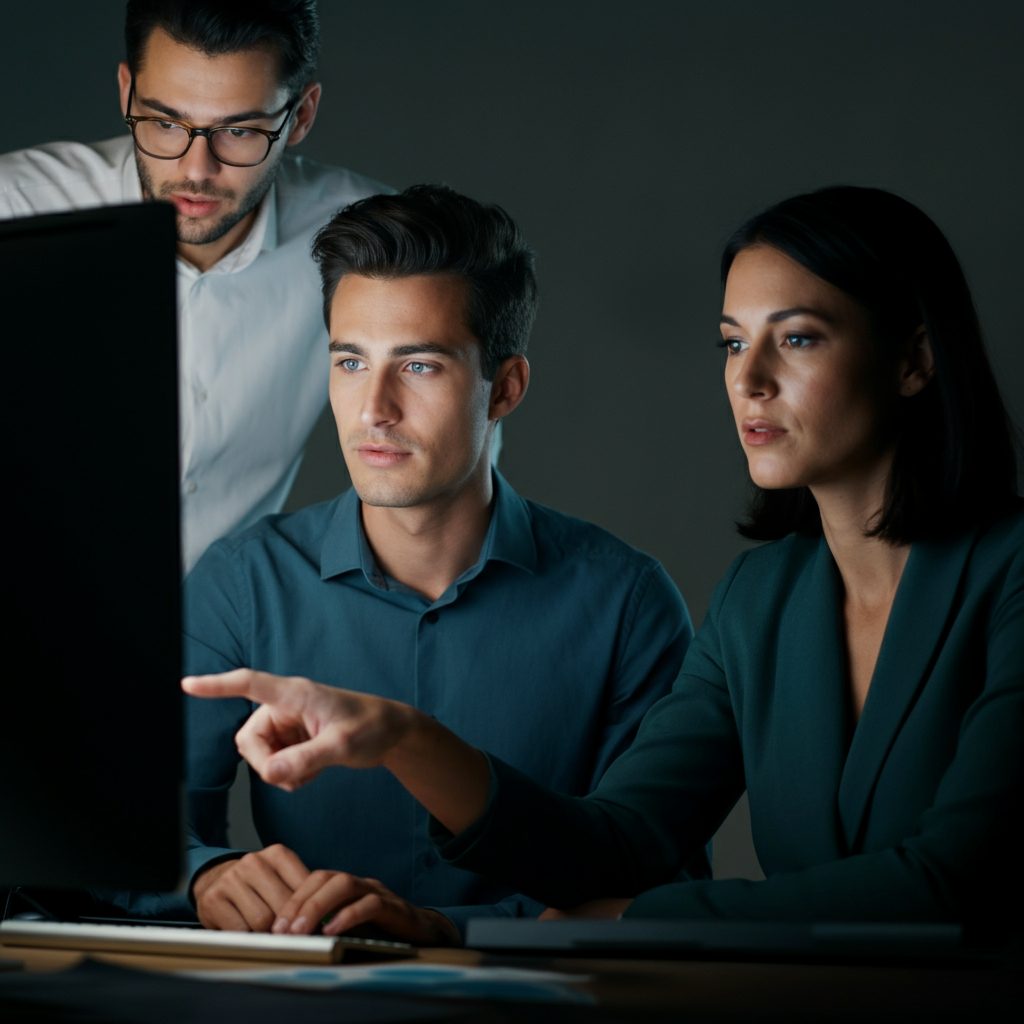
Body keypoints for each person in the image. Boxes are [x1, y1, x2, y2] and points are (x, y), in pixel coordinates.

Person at [186, 186, 1023, 937]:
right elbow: (620, 841)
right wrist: (405, 739)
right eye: (733, 344)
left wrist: (633, 915)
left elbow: (953, 881)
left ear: (914, 359)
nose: (749, 380)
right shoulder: (761, 599)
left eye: (797, 339)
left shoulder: (1009, 571)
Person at [178, 183, 706, 944]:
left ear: (507, 388)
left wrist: (445, 928)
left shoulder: (626, 601)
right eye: (351, 362)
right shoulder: (241, 583)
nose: (374, 410)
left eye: (419, 366)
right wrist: (205, 874)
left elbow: (661, 885)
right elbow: (130, 831)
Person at [0, 0, 387, 572]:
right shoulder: (13, 210)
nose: (196, 168)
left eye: (237, 129)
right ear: (128, 93)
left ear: (301, 116)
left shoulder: (369, 249)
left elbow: (457, 464)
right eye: (165, 122)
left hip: (224, 639)